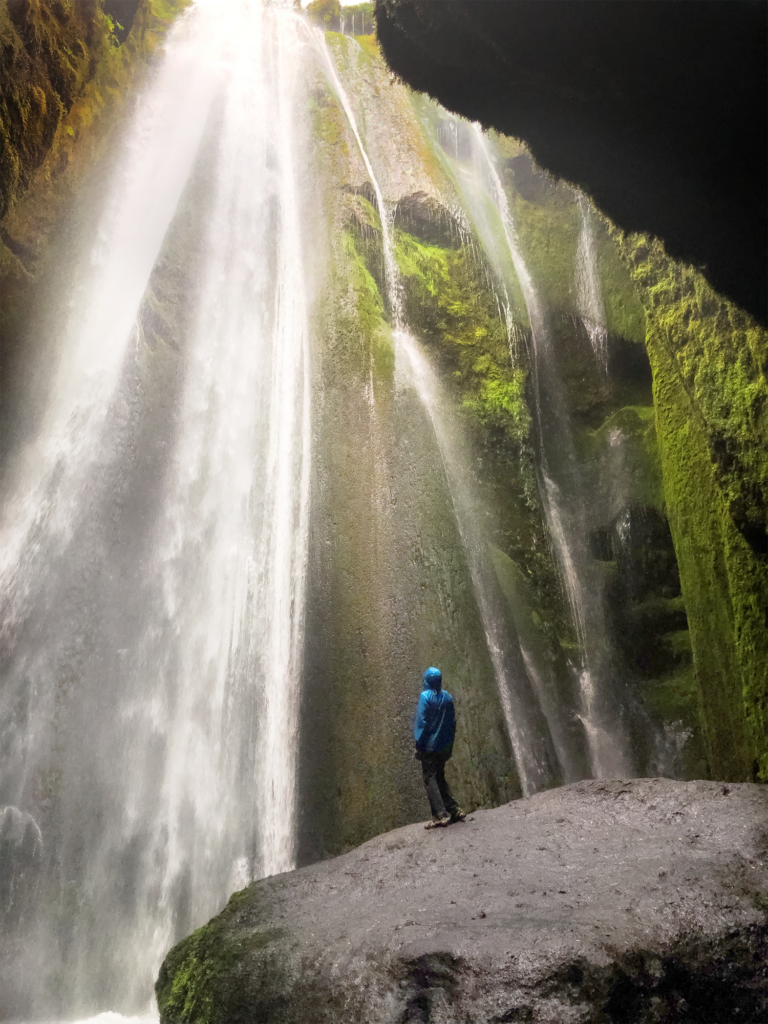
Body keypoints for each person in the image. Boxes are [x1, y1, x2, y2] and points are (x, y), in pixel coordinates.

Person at [413, 666, 466, 828]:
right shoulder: (447, 697)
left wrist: (418, 745)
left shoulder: (425, 697)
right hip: (443, 746)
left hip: (429, 747)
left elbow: (422, 723)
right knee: (439, 777)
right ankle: (454, 809)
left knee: (430, 779)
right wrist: (449, 746)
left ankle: (440, 815)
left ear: (427, 681)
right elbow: (452, 723)